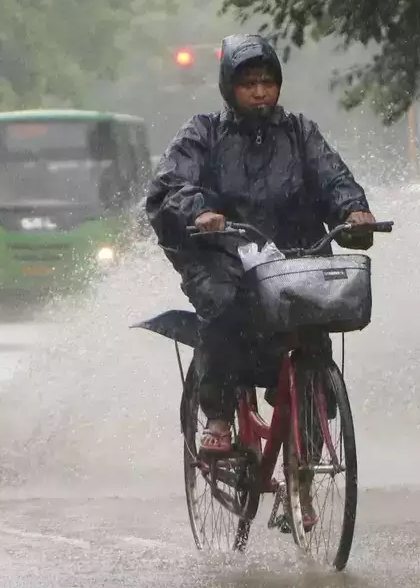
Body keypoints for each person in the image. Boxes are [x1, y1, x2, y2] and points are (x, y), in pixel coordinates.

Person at [145, 34, 375, 455]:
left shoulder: (301, 132)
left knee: (316, 322)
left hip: (293, 257)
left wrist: (354, 210)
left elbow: (334, 179)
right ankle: (218, 416)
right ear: (228, 88)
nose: (259, 91)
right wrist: (200, 212)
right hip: (220, 256)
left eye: (268, 82)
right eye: (248, 83)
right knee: (224, 306)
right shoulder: (203, 133)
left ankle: (306, 417)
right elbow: (170, 186)